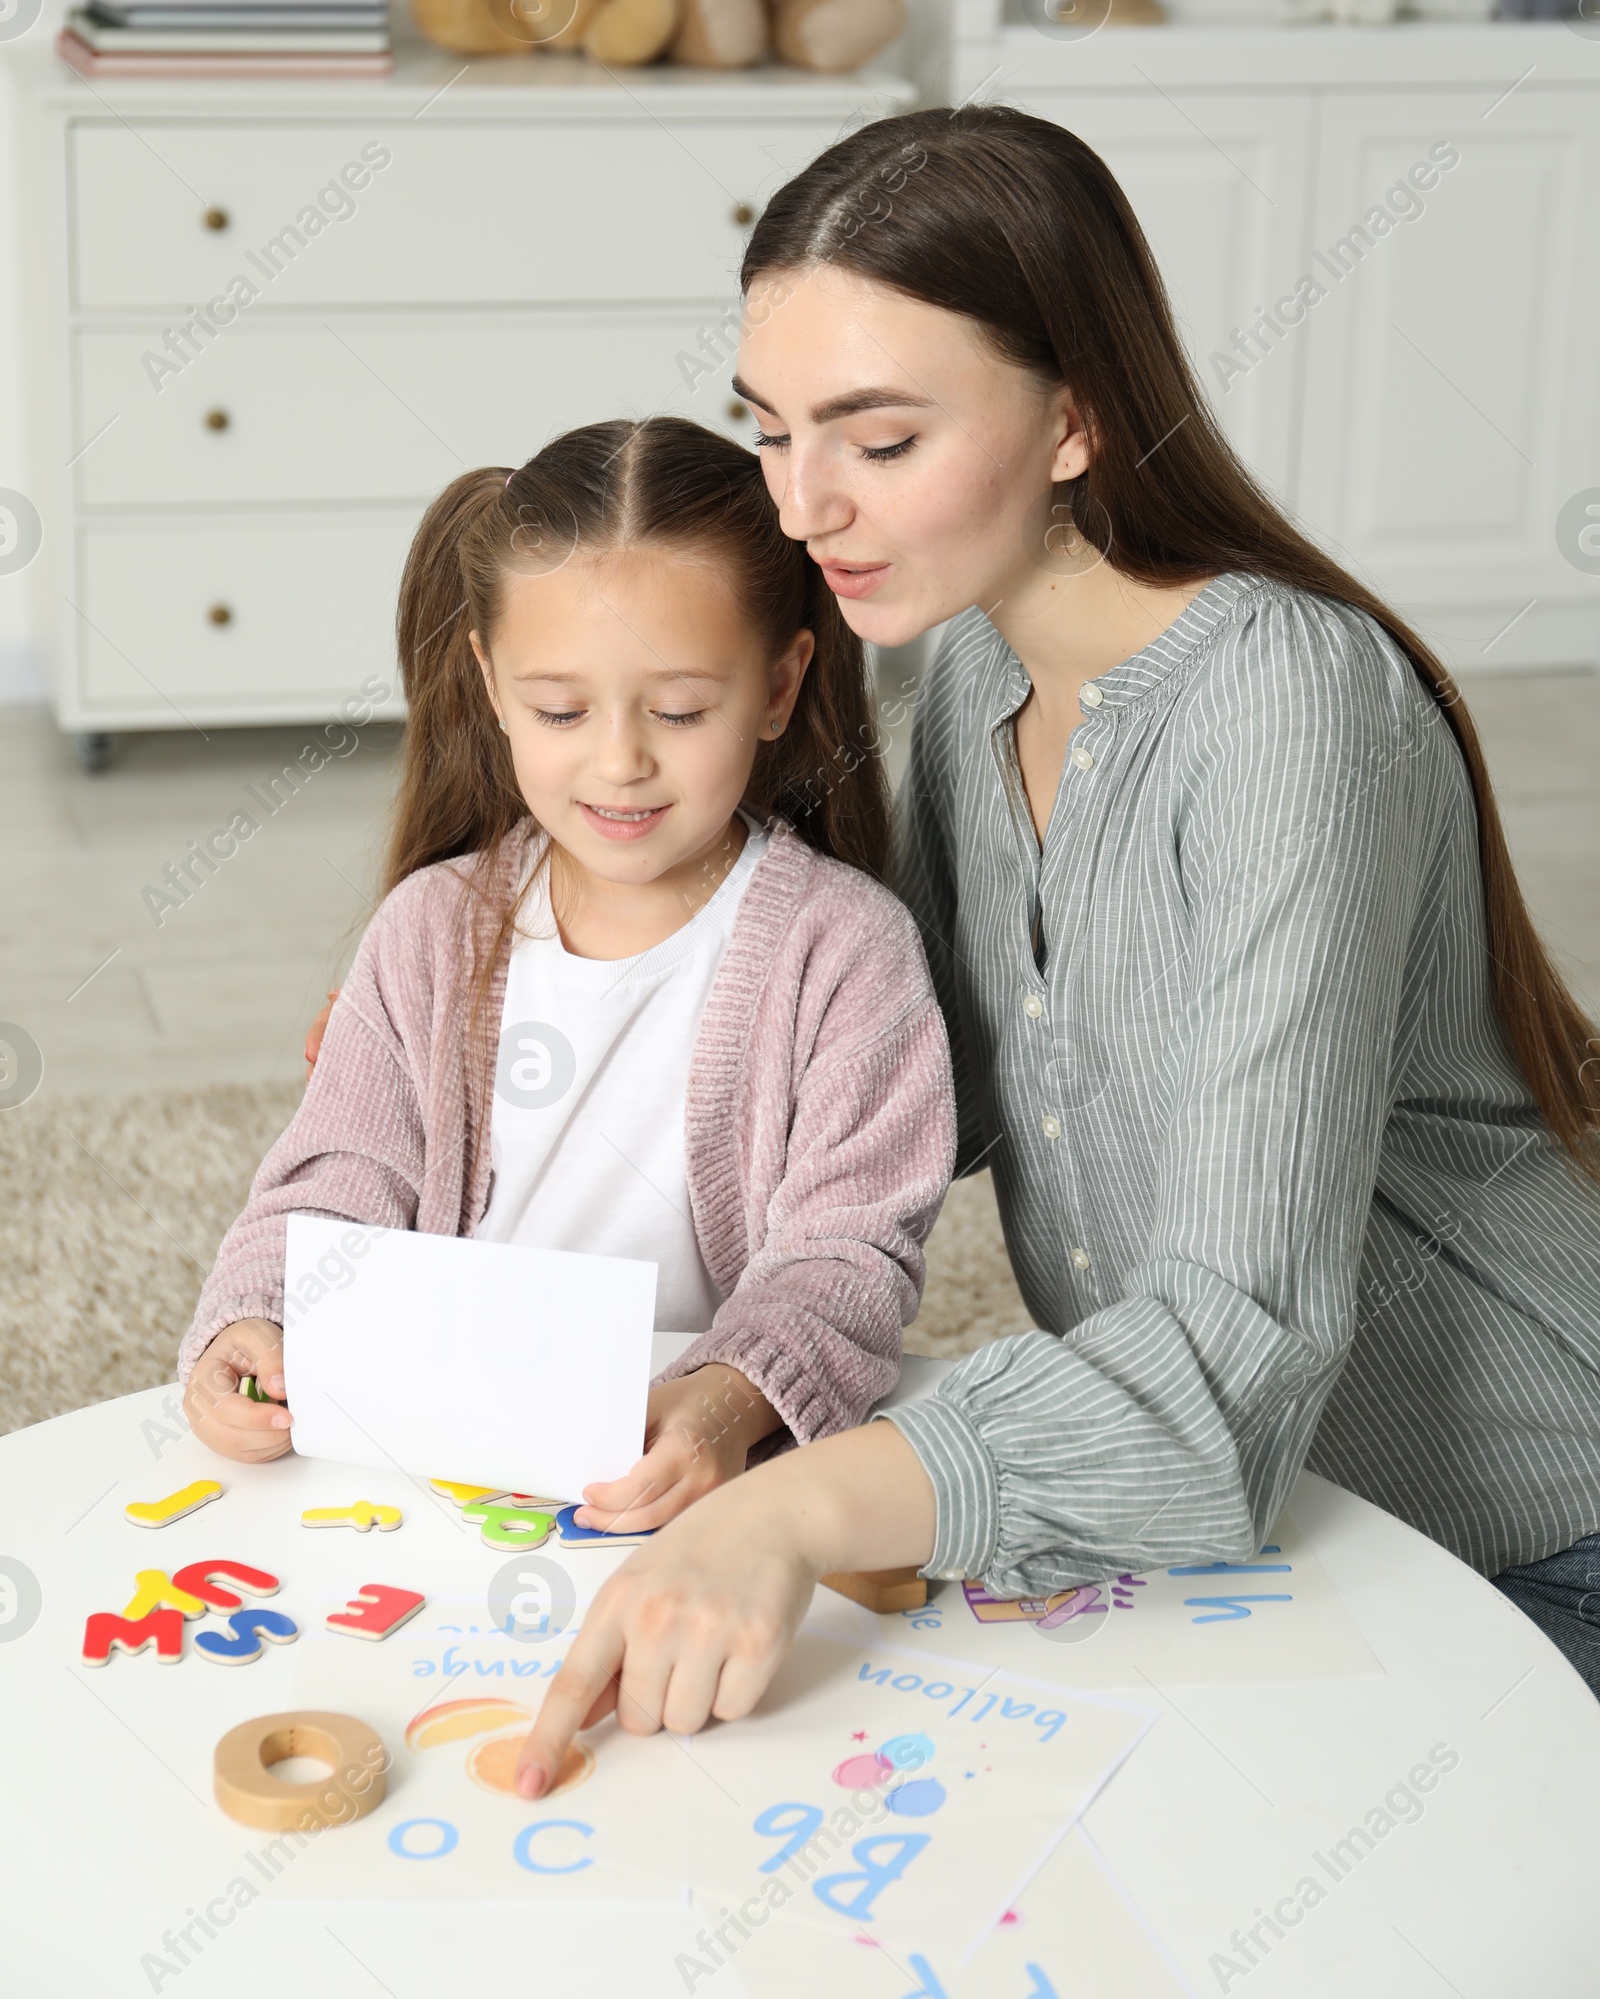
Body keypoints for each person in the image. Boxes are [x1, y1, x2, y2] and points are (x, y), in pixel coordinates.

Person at [514, 101, 1600, 1793]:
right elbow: (899, 1095)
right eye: (776, 432)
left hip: (1517, 1535)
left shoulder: (1290, 707)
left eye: (878, 441)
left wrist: (809, 1501)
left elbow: (1231, 1358)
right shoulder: (968, 671)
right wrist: (531, 1038)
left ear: (1076, 417)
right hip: (1270, 1526)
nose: (801, 507)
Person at [179, 417, 955, 1529]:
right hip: (442, 1453)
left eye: (681, 711)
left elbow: (847, 1251)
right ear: (491, 686)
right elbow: (341, 1171)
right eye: (560, 710)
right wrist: (258, 1314)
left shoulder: (846, 950)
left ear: (782, 685)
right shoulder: (431, 929)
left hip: (692, 1468)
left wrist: (721, 1401)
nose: (619, 760)